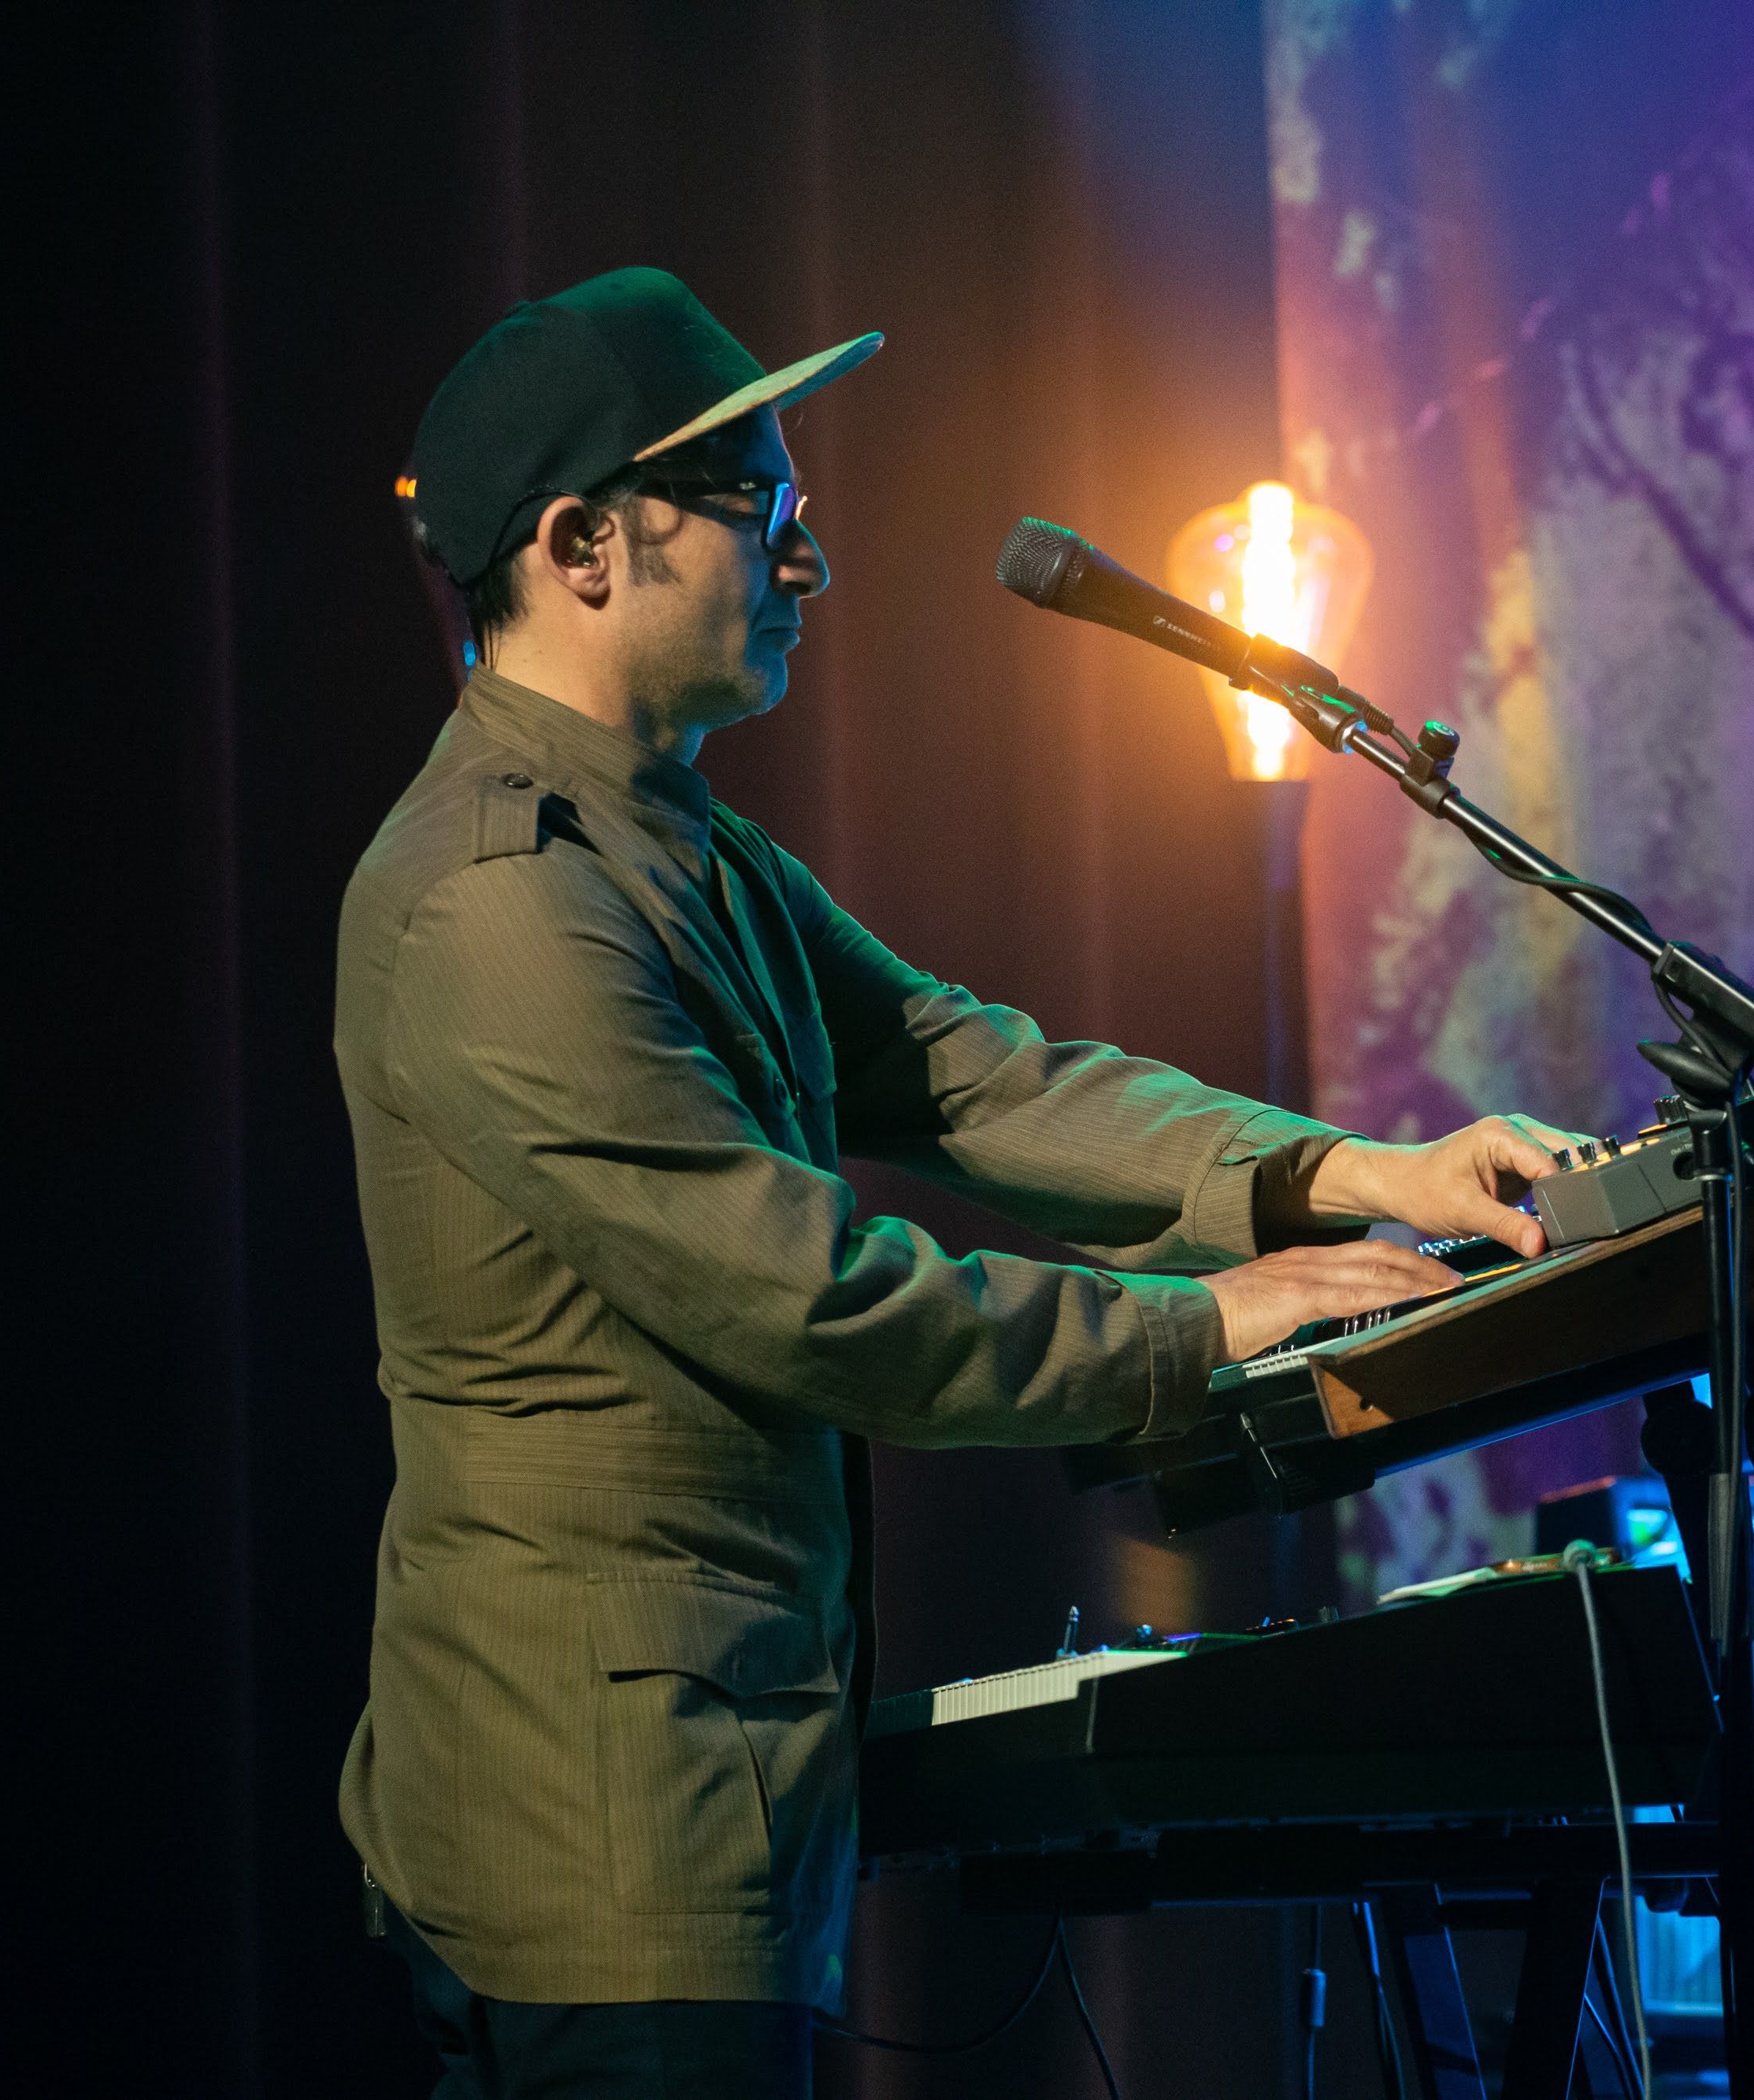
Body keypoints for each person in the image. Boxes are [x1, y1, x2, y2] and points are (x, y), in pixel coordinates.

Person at [339, 266, 1578, 2098]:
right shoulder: (500, 900)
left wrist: (1345, 1171)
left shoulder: (675, 843)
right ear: (582, 545)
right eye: (758, 505)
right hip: (600, 1827)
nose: (809, 557)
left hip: (685, 1806)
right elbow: (808, 1294)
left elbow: (970, 1073)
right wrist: (1197, 1329)